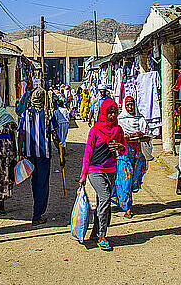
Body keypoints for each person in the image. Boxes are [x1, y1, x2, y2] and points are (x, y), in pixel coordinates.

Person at [79, 99, 126, 251]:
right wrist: (83, 175)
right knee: (105, 198)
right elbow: (88, 153)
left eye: (114, 112)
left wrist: (120, 146)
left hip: (111, 170)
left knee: (102, 202)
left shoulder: (118, 130)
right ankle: (102, 235)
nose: (112, 115)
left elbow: (124, 150)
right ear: (103, 113)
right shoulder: (95, 130)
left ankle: (95, 231)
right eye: (109, 112)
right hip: (95, 170)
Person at [18, 87, 62, 226]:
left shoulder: (26, 114)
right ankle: (37, 214)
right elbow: (55, 136)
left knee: (35, 182)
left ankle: (37, 210)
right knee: (42, 184)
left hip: (29, 154)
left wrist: (20, 152)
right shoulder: (49, 114)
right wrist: (61, 153)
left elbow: (21, 134)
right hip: (44, 155)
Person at [113, 96, 149, 218]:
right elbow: (116, 137)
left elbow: (148, 133)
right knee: (126, 180)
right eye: (127, 105)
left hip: (138, 155)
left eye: (132, 104)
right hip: (124, 155)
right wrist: (129, 137)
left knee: (135, 180)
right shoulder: (120, 120)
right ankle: (127, 207)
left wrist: (140, 135)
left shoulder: (140, 119)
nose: (130, 107)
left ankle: (121, 198)